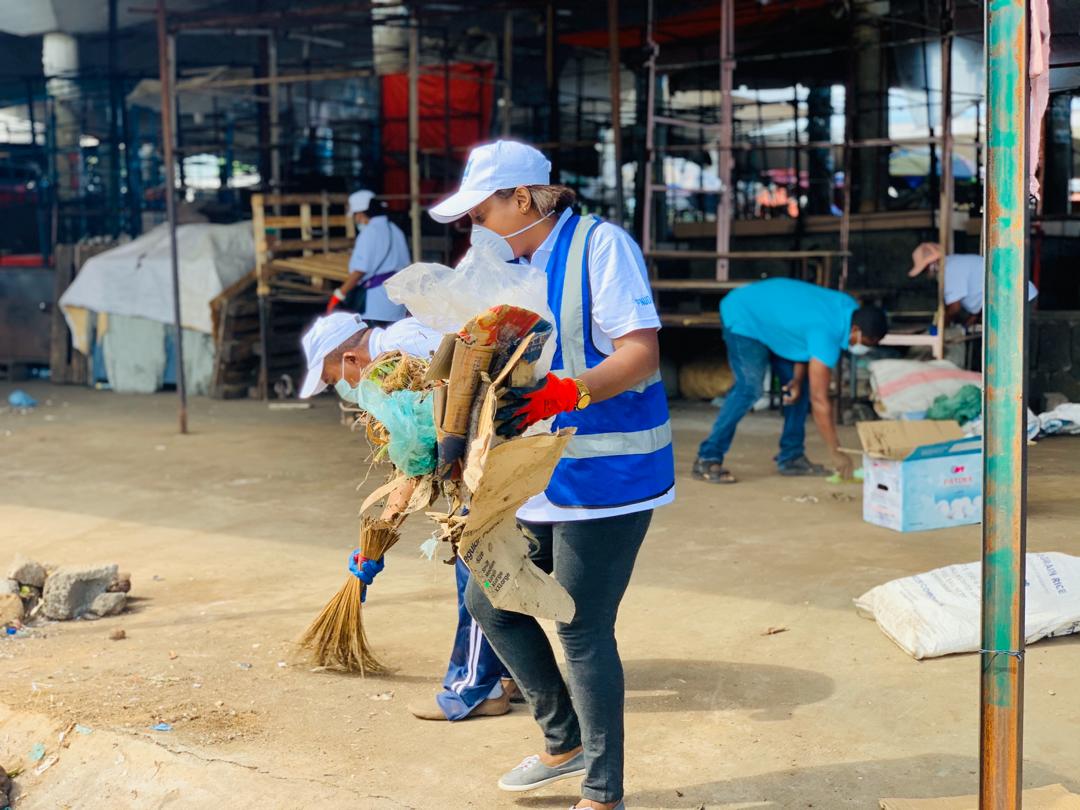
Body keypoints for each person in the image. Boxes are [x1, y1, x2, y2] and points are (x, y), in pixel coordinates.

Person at [427, 139, 675, 810]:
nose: (475, 225)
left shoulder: (600, 247)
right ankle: (564, 742)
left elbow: (641, 353)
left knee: (580, 626)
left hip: (609, 475)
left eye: (482, 211)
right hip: (536, 477)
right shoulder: (507, 264)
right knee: (489, 601)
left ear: (525, 198)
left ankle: (602, 791)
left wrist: (568, 393)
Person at [298, 311, 517, 722]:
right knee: (501, 571)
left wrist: (381, 536)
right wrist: (376, 542)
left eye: (334, 379)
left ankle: (474, 689)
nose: (345, 389)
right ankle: (510, 675)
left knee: (477, 573)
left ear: (350, 359)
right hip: (502, 460)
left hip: (490, 466)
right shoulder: (404, 342)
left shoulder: (400, 357)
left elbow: (416, 462)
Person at [693, 278, 888, 485]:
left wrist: (796, 378)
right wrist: (835, 451)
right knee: (749, 389)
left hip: (776, 324)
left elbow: (802, 339)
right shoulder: (827, 332)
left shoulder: (849, 309)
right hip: (745, 314)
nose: (865, 348)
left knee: (798, 388)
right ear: (855, 330)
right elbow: (819, 400)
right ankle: (708, 457)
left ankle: (791, 457)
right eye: (867, 342)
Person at [325, 190, 410, 325]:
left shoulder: (369, 232)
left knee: (375, 338)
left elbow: (360, 271)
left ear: (360, 214)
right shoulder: (395, 229)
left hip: (376, 306)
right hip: (398, 303)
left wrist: (338, 295)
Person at [908, 242, 1038, 326]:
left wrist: (941, 325)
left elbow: (954, 308)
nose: (926, 274)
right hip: (1019, 297)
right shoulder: (954, 262)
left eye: (924, 270)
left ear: (931, 265)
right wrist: (972, 318)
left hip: (1015, 301)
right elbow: (981, 292)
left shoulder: (949, 270)